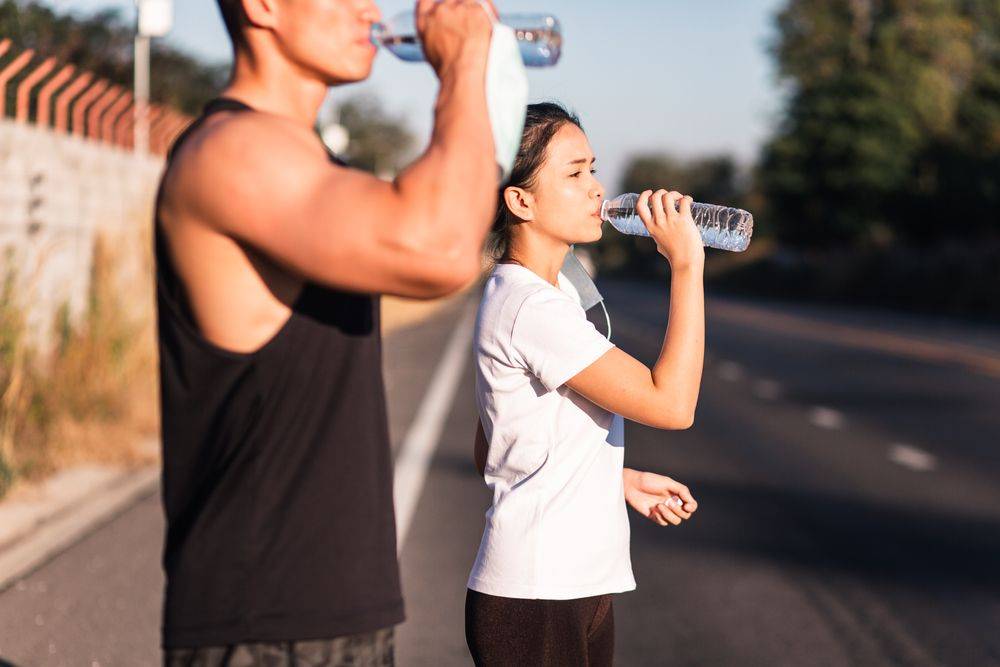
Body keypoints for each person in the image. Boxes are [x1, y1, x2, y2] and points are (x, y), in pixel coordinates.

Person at [156, 0, 505, 664]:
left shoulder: (304, 161)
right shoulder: (235, 152)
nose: (369, 8)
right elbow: (443, 248)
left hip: (319, 619)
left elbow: (433, 217)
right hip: (265, 622)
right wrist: (463, 62)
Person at [465, 103, 704, 666]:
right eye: (574, 174)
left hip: (571, 589)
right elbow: (673, 406)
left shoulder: (548, 294)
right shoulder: (530, 306)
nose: (597, 188)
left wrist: (607, 476)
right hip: (536, 598)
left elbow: (490, 449)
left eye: (593, 169)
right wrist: (688, 266)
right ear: (519, 200)